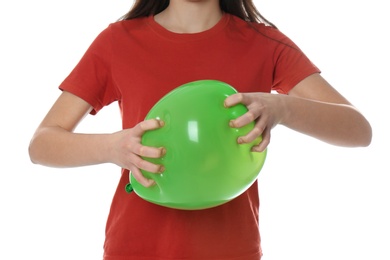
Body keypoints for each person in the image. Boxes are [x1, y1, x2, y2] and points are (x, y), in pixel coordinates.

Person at [28, 0, 372, 259]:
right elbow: (42, 144)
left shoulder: (265, 43)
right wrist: (112, 147)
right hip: (134, 248)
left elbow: (358, 130)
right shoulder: (117, 41)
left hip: (231, 249)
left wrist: (282, 107)